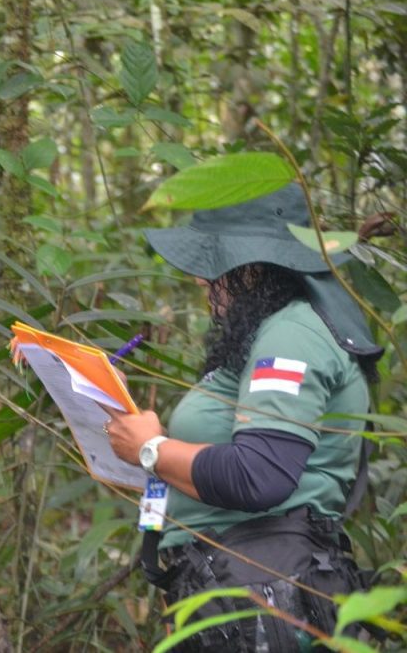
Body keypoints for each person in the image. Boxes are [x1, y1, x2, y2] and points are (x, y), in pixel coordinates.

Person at [103, 184, 382, 651]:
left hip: (269, 596)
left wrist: (152, 450)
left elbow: (260, 476)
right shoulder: (270, 332)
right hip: (238, 588)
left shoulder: (292, 335)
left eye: (215, 264)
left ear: (254, 266)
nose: (201, 280)